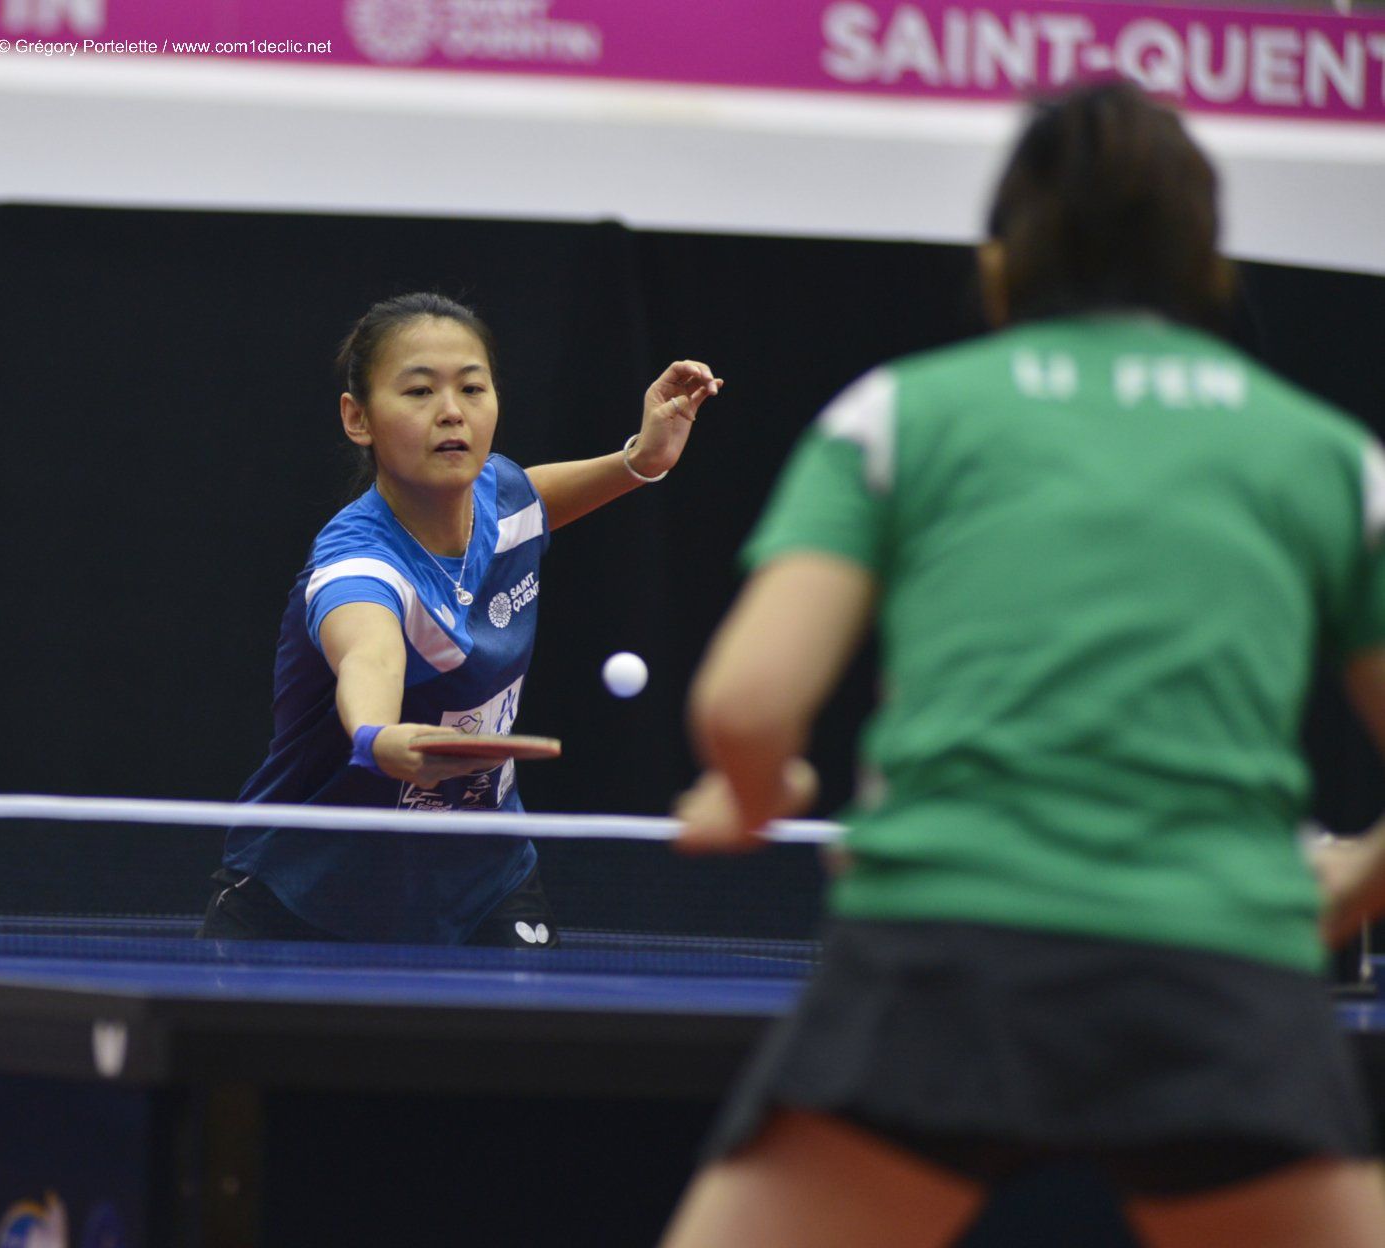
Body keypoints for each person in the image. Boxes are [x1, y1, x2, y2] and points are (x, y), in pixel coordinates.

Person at [661, 82, 1385, 1247]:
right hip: (1215, 970)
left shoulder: (898, 416)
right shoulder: (1330, 458)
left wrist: (754, 794)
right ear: (1210, 266)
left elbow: (746, 706)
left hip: (946, 956)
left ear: (1002, 260)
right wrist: (1354, 886)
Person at [202, 292, 720, 946]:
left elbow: (532, 499)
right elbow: (369, 654)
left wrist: (641, 462)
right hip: (308, 895)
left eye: (472, 388)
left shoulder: (499, 496)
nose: (452, 411)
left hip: (482, 881)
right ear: (358, 418)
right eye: (419, 391)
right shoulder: (360, 567)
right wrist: (377, 737)